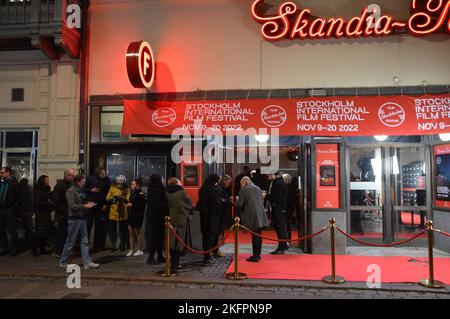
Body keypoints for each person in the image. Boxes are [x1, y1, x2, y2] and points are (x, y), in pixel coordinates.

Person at [60, 174, 99, 269]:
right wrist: (85, 206)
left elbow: (80, 203)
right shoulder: (71, 191)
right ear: (78, 182)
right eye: (82, 182)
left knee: (85, 240)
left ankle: (87, 262)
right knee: (71, 241)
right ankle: (63, 261)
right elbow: (72, 206)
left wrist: (88, 203)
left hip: (82, 217)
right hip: (74, 219)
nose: (84, 183)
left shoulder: (81, 190)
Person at [235, 177, 268, 262]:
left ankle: (255, 256)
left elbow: (240, 204)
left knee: (255, 236)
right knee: (258, 235)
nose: (241, 185)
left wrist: (236, 201)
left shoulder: (244, 189)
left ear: (245, 182)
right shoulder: (257, 188)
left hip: (252, 215)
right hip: (260, 214)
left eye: (241, 183)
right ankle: (258, 254)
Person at [166, 177, 193, 270]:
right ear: (177, 183)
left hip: (170, 220)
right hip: (181, 220)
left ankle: (172, 260)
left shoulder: (166, 193)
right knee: (179, 243)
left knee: (172, 242)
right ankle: (176, 263)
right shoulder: (182, 193)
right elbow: (190, 204)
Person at [84, 167, 111, 252]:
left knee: (99, 226)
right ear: (98, 173)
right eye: (103, 173)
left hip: (101, 206)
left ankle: (97, 245)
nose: (104, 175)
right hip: (90, 205)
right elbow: (83, 189)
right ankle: (85, 245)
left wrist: (106, 204)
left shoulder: (107, 180)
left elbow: (109, 192)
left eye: (105, 173)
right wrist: (91, 190)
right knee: (88, 224)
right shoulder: (90, 178)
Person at [198, 174, 222, 265]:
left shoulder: (202, 188)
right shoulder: (213, 189)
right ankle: (207, 257)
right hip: (212, 217)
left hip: (203, 216)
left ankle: (206, 255)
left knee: (205, 237)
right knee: (211, 237)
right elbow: (216, 203)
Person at [146, 174, 169, 264]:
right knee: (156, 238)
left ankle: (159, 256)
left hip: (157, 217)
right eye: (162, 178)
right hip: (156, 218)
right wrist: (166, 206)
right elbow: (157, 204)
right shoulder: (156, 190)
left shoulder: (156, 189)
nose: (163, 180)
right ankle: (151, 257)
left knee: (160, 238)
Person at [52, 169, 75, 257]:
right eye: (71, 176)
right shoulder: (59, 186)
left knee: (67, 234)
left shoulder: (71, 185)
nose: (73, 177)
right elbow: (56, 202)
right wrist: (66, 210)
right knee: (61, 234)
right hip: (62, 215)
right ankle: (58, 251)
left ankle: (64, 251)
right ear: (66, 175)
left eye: (73, 176)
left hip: (69, 214)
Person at [265, 172, 289, 254]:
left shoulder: (278, 183)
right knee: (281, 227)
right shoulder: (278, 182)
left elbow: (276, 197)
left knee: (279, 228)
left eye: (268, 175)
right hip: (279, 208)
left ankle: (281, 247)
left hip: (278, 208)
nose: (267, 176)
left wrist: (266, 196)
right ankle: (284, 245)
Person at [0, 167, 21, 256]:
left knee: (11, 230)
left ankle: (14, 249)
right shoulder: (2, 183)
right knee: (1, 230)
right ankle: (5, 248)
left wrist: (12, 209)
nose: (0, 174)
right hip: (1, 210)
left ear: (8, 173)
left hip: (9, 210)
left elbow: (19, 198)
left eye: (2, 172)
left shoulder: (14, 183)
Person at [106, 175, 130, 252]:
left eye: (122, 184)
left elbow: (128, 199)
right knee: (112, 230)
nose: (120, 185)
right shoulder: (112, 188)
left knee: (123, 230)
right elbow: (107, 198)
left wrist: (123, 199)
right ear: (116, 182)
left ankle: (123, 244)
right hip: (113, 212)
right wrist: (114, 199)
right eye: (119, 183)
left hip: (123, 212)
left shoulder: (126, 189)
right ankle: (113, 244)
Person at [32, 175, 53, 256]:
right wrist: (49, 203)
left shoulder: (47, 189)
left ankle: (42, 249)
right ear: (42, 181)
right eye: (47, 180)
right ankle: (34, 249)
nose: (48, 181)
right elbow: (38, 203)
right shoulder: (38, 190)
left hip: (46, 214)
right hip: (41, 214)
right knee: (39, 233)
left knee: (45, 233)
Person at [213, 174, 232, 258]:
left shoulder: (222, 189)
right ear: (224, 181)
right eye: (228, 182)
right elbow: (220, 203)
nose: (229, 184)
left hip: (221, 215)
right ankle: (215, 250)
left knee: (220, 233)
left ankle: (216, 250)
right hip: (219, 215)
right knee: (217, 234)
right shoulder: (219, 189)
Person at [126, 179, 146, 257]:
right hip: (131, 214)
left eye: (133, 184)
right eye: (131, 184)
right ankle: (131, 249)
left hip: (137, 215)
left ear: (137, 185)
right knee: (131, 233)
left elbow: (141, 206)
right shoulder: (132, 193)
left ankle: (140, 249)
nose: (132, 185)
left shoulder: (140, 194)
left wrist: (132, 205)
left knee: (137, 233)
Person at [282, 173, 296, 242]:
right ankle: (287, 239)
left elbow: (290, 201)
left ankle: (287, 239)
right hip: (287, 209)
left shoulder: (289, 188)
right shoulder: (288, 187)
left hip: (287, 209)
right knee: (286, 225)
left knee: (286, 224)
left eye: (283, 179)